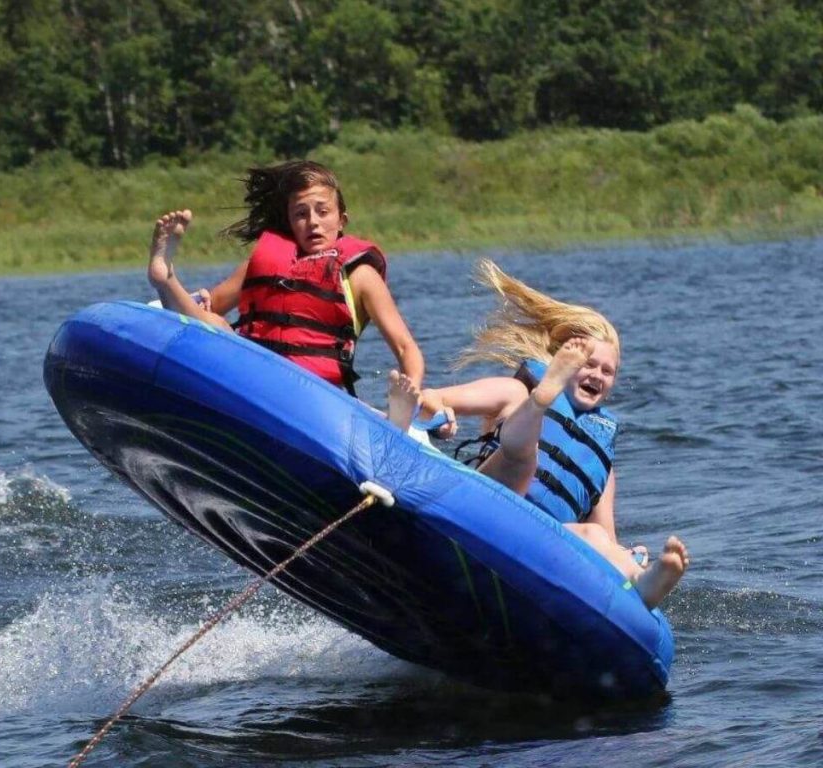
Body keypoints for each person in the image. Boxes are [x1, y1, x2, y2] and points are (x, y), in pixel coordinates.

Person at [401, 259, 689, 609]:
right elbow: (435, 398)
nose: (598, 375)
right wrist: (439, 414)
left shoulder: (604, 467)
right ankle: (540, 402)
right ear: (561, 360)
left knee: (594, 534)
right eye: (589, 364)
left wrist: (621, 555)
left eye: (608, 371)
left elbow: (605, 538)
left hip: (540, 542)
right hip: (485, 507)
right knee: (523, 457)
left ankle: (644, 584)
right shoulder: (511, 391)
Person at [146, 160, 424, 395]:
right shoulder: (264, 264)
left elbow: (404, 346)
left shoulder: (361, 276)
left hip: (315, 394)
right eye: (301, 214)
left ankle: (166, 280)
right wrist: (201, 299)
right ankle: (165, 277)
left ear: (342, 221)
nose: (313, 221)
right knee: (214, 324)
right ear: (290, 223)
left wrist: (412, 393)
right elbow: (208, 310)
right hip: (253, 374)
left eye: (323, 212)